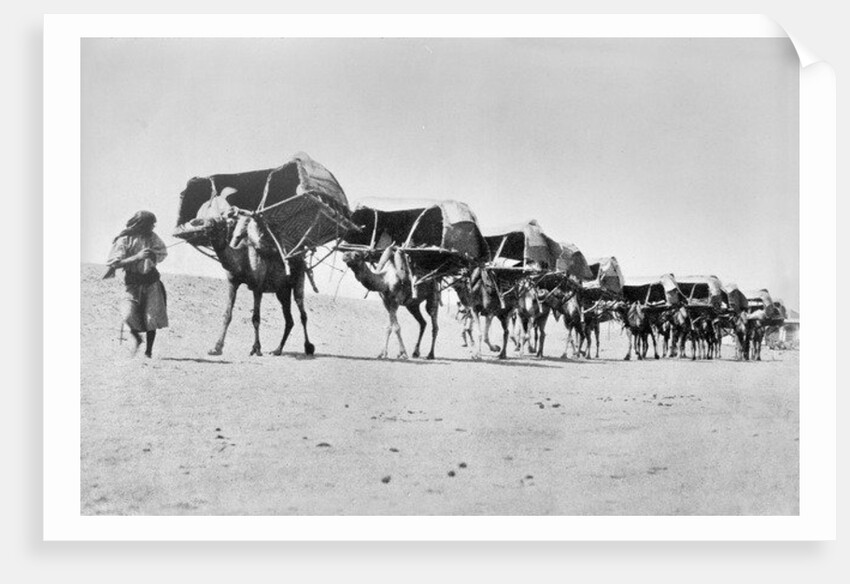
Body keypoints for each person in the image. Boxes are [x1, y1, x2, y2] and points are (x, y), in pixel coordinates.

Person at [104, 211, 169, 357]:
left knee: (151, 318)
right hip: (132, 283)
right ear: (141, 224)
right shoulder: (124, 239)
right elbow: (114, 263)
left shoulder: (153, 237)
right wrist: (137, 257)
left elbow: (162, 253)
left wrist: (153, 255)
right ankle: (138, 339)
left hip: (152, 282)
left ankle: (148, 352)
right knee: (127, 314)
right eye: (151, 224)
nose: (153, 227)